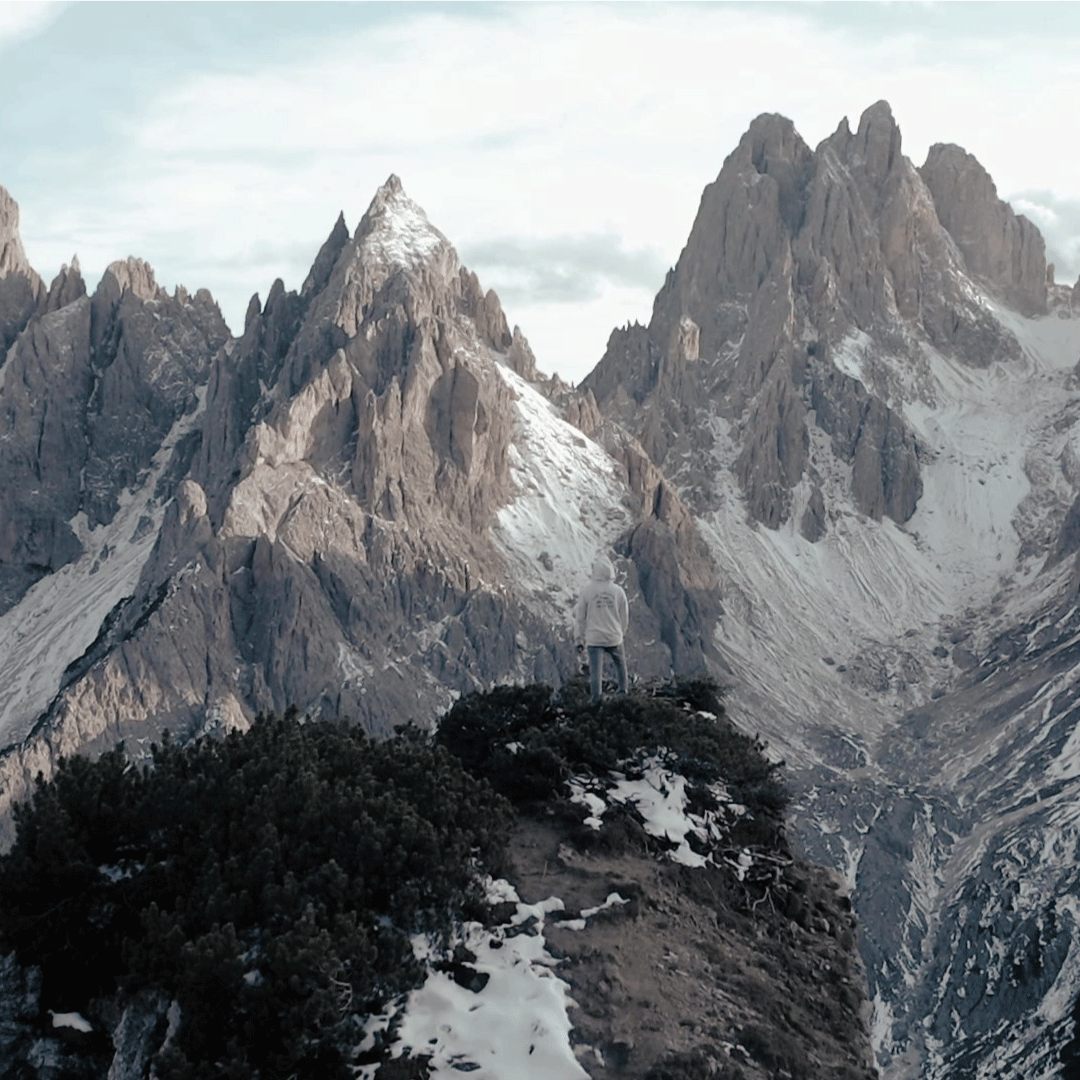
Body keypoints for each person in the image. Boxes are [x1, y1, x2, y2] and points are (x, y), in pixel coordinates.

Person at [574, 555, 629, 705]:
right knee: (621, 665)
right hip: (614, 636)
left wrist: (579, 638)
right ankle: (623, 692)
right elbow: (625, 616)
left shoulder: (587, 591)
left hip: (594, 637)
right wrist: (621, 633)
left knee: (595, 672)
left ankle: (596, 699)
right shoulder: (618, 591)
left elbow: (580, 618)